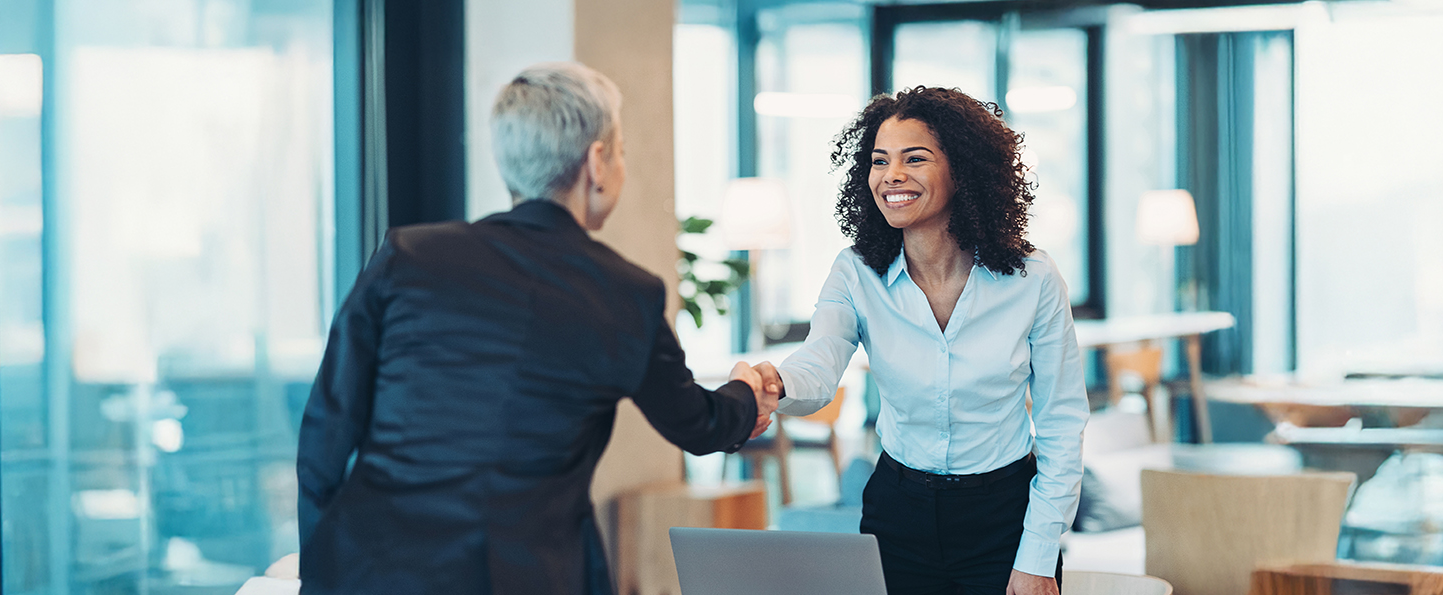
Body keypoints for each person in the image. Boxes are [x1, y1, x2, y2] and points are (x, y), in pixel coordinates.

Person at [295, 62, 776, 595]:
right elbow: (697, 424)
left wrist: (321, 561)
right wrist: (745, 394)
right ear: (597, 161)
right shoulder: (624, 293)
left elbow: (327, 427)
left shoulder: (407, 256)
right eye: (620, 150)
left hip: (368, 569)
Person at [751, 86, 1088, 595]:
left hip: (1003, 518)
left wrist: (1039, 556)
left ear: (963, 170)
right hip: (898, 512)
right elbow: (818, 367)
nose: (892, 176)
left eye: (915, 159)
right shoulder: (855, 272)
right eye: (879, 161)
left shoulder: (1032, 278)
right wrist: (774, 383)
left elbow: (1061, 422)